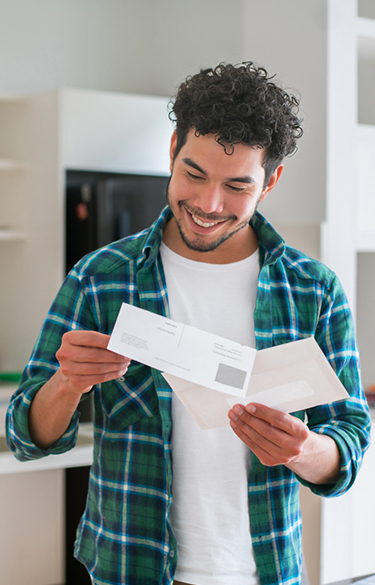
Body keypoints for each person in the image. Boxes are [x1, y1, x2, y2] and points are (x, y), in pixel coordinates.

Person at [6, 62, 370, 585]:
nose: (207, 204)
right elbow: (24, 436)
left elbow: (351, 438)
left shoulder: (314, 290)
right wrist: (68, 383)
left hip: (265, 572)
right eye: (194, 174)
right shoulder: (101, 277)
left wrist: (304, 450)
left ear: (271, 181)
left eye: (237, 187)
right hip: (130, 569)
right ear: (173, 148)